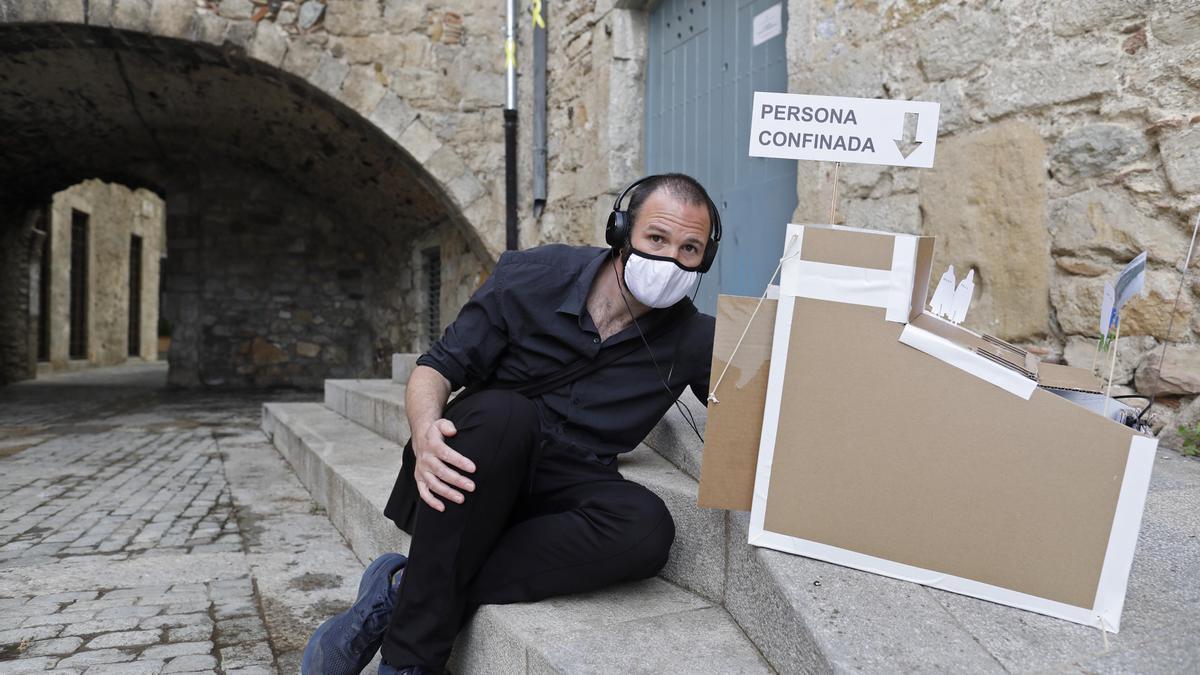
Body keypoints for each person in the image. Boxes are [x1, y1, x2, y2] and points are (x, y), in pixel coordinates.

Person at [302, 173, 720, 675]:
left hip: (570, 473)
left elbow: (751, 411)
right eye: (657, 238)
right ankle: (409, 663)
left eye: (689, 249)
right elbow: (436, 367)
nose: (670, 260)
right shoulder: (533, 275)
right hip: (480, 457)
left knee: (646, 527)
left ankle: (397, 593)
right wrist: (425, 433)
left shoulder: (696, 338)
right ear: (620, 231)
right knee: (507, 413)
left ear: (705, 261)